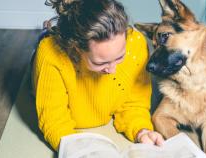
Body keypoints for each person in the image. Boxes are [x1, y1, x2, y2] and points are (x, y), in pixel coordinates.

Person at [32, 0, 164, 151]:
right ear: (75, 49)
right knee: (43, 42)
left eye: (120, 57)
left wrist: (142, 131)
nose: (113, 70)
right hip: (50, 55)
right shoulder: (50, 55)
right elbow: (53, 120)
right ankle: (45, 31)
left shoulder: (136, 43)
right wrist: (76, 149)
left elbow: (134, 104)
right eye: (101, 63)